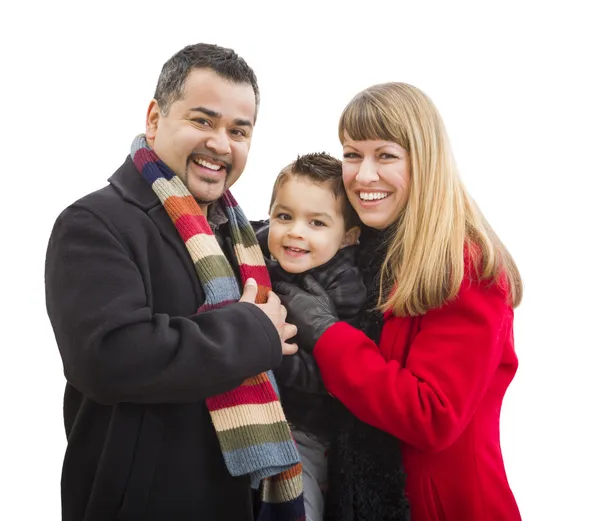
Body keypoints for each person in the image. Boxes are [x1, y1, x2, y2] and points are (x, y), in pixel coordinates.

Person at [45, 43, 305, 521]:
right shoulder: (93, 223)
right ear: (154, 118)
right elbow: (108, 358)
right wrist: (252, 331)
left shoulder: (245, 239)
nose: (221, 144)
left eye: (238, 131)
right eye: (202, 121)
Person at [276, 82, 523, 521]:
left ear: (424, 161)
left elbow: (432, 415)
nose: (363, 175)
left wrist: (326, 332)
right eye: (352, 154)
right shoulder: (364, 250)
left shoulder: (466, 267)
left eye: (385, 155)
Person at [253, 152, 366, 521]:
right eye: (284, 216)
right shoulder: (255, 254)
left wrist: (271, 354)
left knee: (296, 506)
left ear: (347, 237)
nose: (295, 231)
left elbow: (330, 375)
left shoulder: (344, 285)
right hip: (254, 418)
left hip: (305, 431)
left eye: (317, 223)